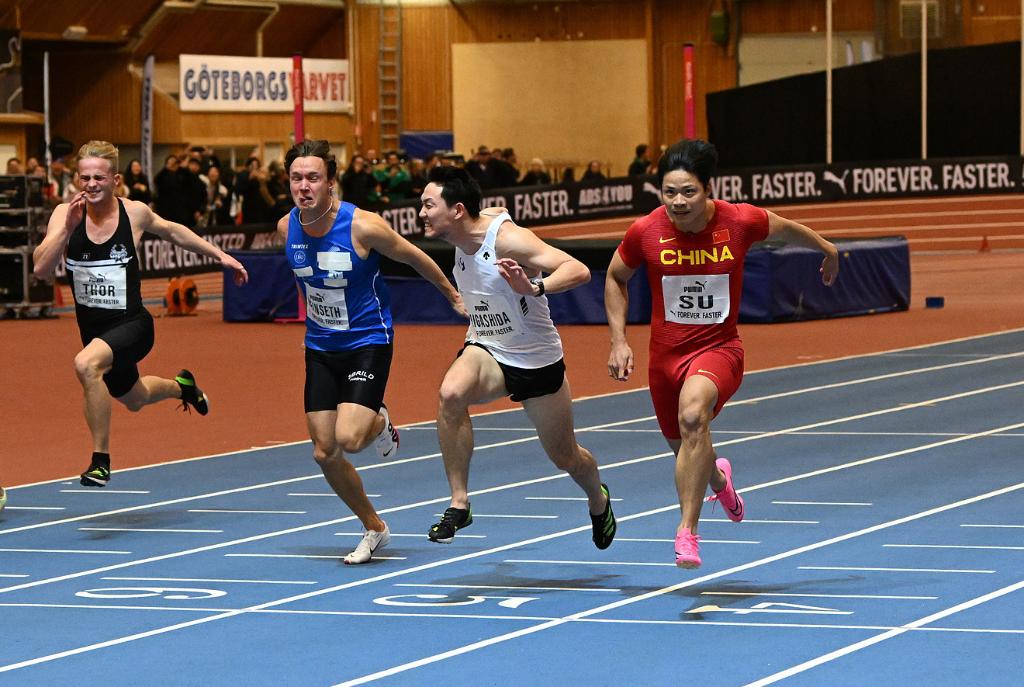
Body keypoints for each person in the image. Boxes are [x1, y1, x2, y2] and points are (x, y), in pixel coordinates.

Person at [604, 138, 839, 569]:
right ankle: (718, 478)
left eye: (688, 192)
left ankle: (686, 532)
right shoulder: (646, 231)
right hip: (664, 359)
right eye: (669, 192)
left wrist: (827, 248)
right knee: (685, 445)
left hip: (719, 349)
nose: (677, 202)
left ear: (708, 188)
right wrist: (619, 340)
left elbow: (785, 228)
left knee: (694, 415)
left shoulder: (739, 220)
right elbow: (616, 276)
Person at [278, 139, 466, 565]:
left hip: (368, 342)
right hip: (321, 347)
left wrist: (453, 296)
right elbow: (304, 281)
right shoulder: (286, 228)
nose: (304, 186)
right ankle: (374, 526)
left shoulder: (363, 226)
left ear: (330, 182)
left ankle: (379, 420)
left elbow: (415, 257)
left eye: (313, 178)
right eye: (296, 178)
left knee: (350, 438)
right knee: (324, 452)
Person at [418, 166, 617, 549]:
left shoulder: (508, 240)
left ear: (457, 210)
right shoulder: (463, 232)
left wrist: (534, 287)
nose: (422, 213)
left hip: (535, 360)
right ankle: (459, 503)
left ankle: (598, 497)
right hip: (488, 347)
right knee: (451, 393)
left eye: (429, 205)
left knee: (566, 457)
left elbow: (578, 270)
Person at [32, 141, 249, 487]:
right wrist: (66, 229)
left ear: (115, 180)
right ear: (76, 179)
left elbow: (173, 231)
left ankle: (100, 461)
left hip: (133, 325)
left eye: (99, 178)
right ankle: (183, 388)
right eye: (85, 178)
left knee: (86, 365)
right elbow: (41, 269)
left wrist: (220, 256)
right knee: (135, 398)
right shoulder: (64, 213)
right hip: (95, 333)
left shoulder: (133, 213)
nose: (91, 185)